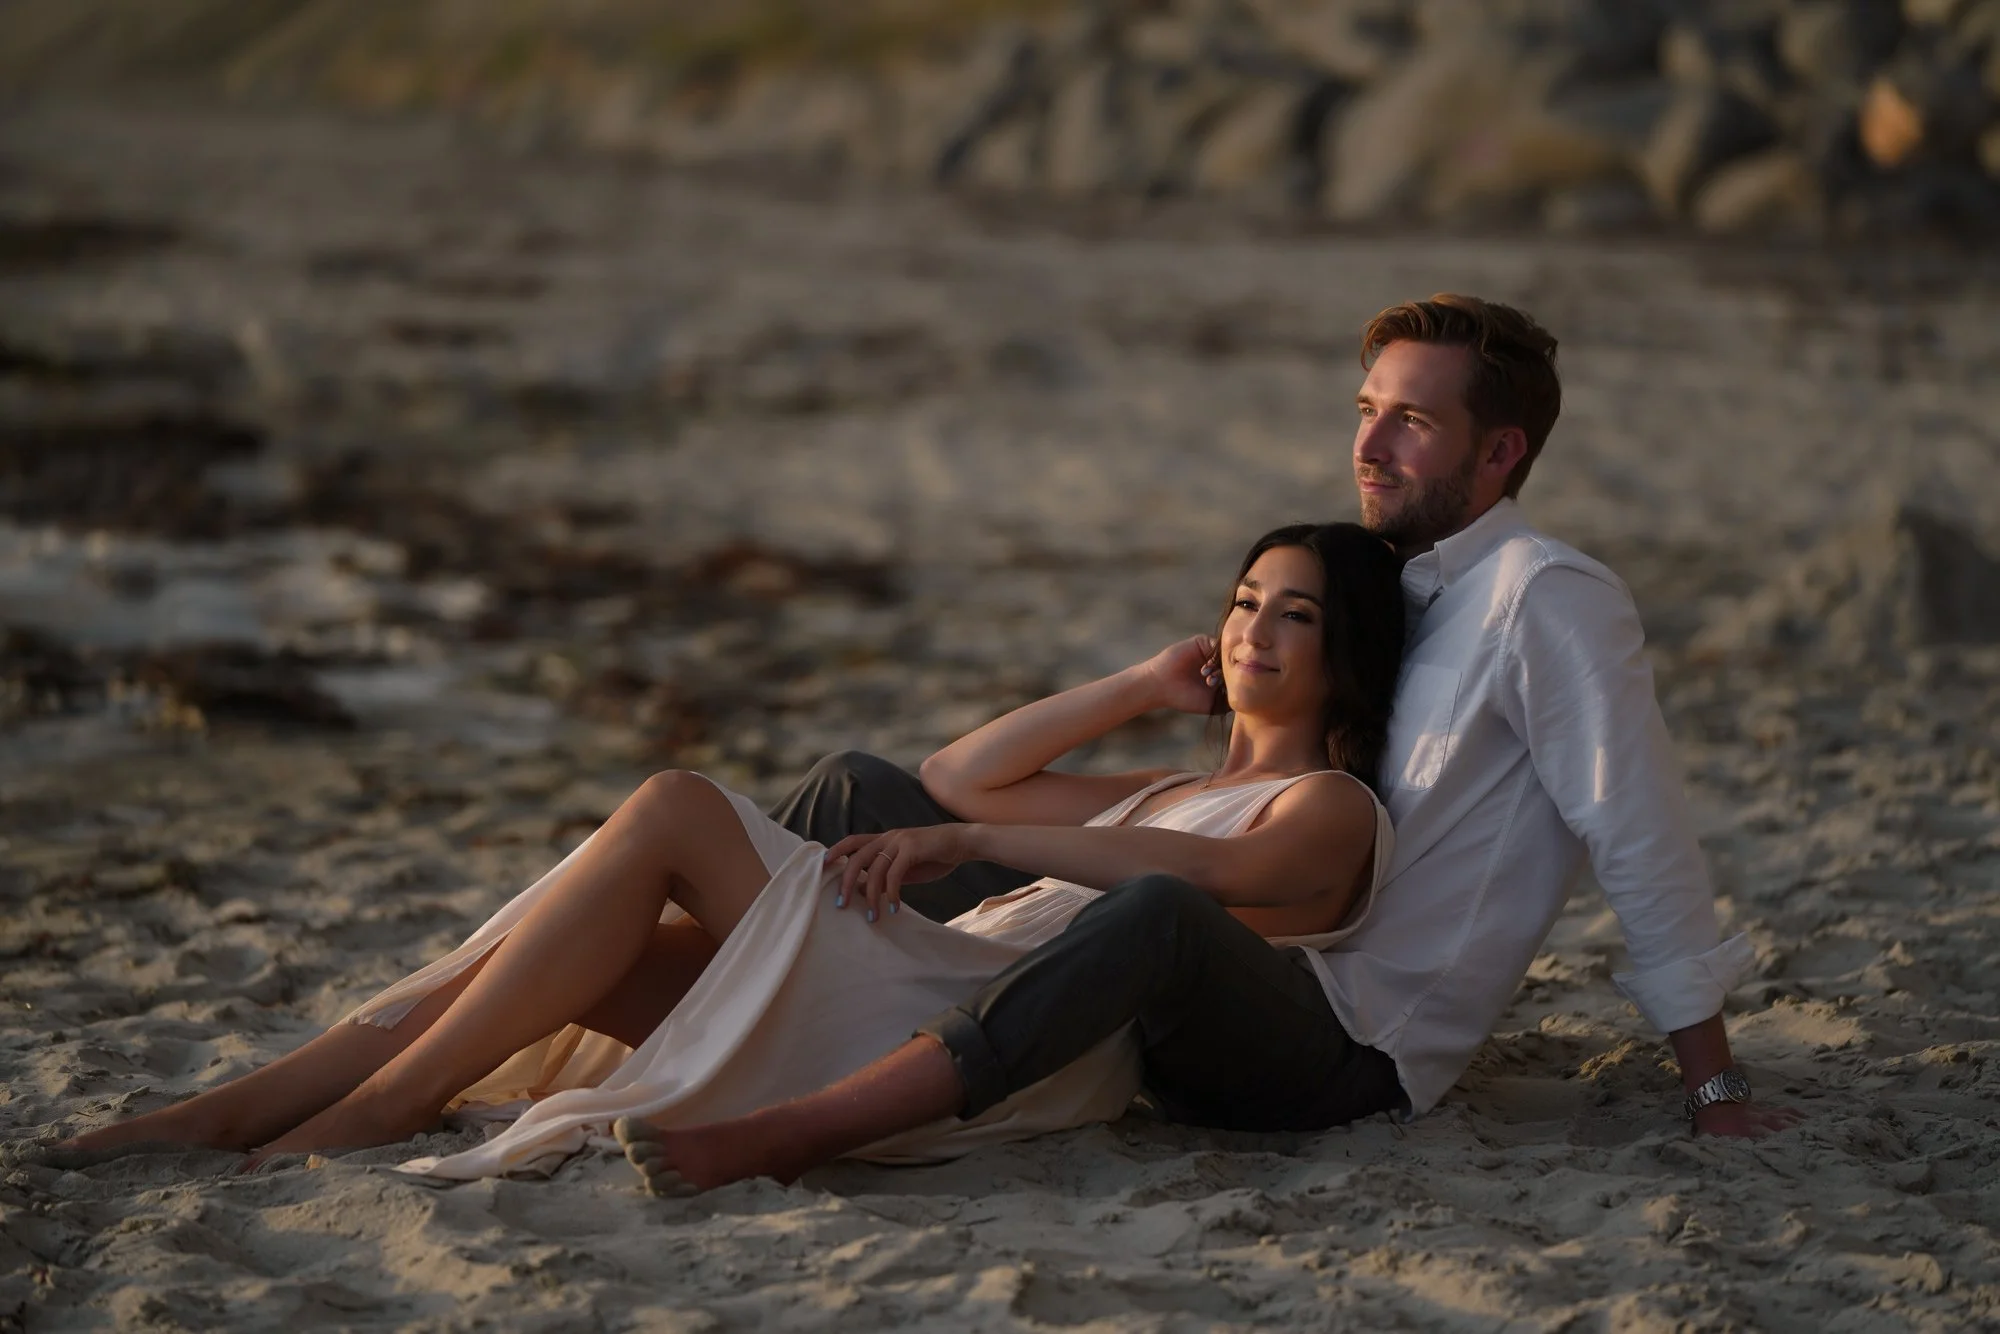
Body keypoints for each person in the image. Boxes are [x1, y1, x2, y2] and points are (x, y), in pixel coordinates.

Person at [612, 294, 1801, 1197]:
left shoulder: (1549, 598)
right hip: (1240, 931)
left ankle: (798, 1125)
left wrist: (1712, 1080)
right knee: (860, 790)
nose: (1371, 444)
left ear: (1499, 455)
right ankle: (705, 1031)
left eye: (1414, 422)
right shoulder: (1385, 586)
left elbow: (1631, 823)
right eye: (1366, 411)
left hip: (1340, 1036)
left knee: (1152, 909)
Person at [51, 523, 1407, 1176]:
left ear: (1349, 652)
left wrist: (970, 839)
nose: (1250, 632)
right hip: (923, 974)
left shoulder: (1331, 806)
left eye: (1291, 615)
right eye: (1239, 603)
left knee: (677, 809)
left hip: (974, 1027)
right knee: (587, 944)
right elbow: (953, 771)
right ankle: (235, 1108)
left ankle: (365, 1112)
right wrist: (1131, 682)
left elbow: (1208, 883)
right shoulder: (1168, 777)